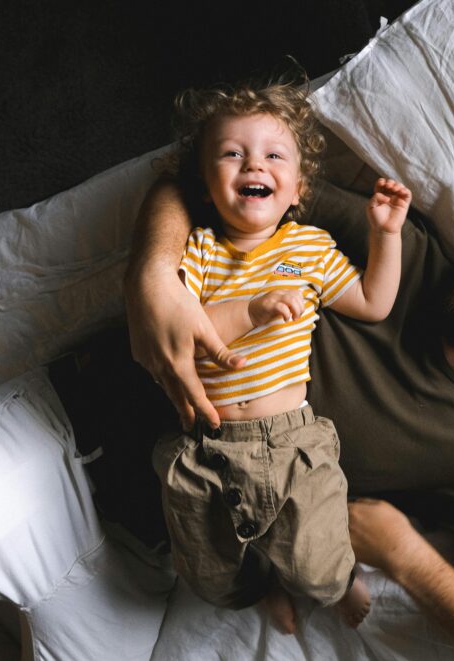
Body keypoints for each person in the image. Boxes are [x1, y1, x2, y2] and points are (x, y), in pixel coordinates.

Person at [126, 161, 454, 657]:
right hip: (91, 392)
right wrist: (152, 276)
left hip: (156, 532)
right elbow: (192, 173)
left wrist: (406, 555)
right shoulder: (397, 249)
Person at [146, 79, 412, 631]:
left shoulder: (308, 247)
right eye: (231, 154)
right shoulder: (197, 250)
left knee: (316, 558)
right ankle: (254, 588)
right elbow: (184, 332)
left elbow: (373, 303)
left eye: (273, 155)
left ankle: (332, 583)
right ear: (205, 182)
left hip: (291, 442)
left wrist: (386, 236)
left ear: (296, 188)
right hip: (205, 444)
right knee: (208, 572)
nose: (253, 165)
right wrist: (250, 310)